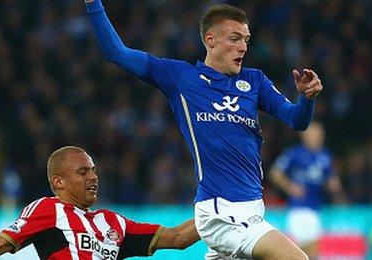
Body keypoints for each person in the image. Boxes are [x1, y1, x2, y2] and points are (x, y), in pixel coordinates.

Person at [84, 1, 323, 259]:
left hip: (252, 208)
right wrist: (93, 4)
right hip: (221, 212)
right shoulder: (181, 77)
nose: (243, 46)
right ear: (211, 40)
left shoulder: (254, 81)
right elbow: (116, 53)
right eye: (235, 38)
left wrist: (307, 99)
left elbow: (297, 120)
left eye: (246, 39)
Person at [0, 146, 199, 259]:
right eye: (83, 172)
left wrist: (223, 213)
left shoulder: (113, 222)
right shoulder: (48, 209)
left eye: (93, 171)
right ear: (58, 181)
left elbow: (178, 238)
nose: (93, 177)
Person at [269, 121, 345, 258]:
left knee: (312, 251)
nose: (317, 137)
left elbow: (333, 182)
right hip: (298, 209)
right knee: (303, 249)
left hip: (315, 209)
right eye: (314, 133)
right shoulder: (294, 153)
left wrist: (334, 184)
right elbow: (275, 173)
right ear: (304, 135)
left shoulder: (325, 156)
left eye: (320, 134)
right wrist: (290, 187)